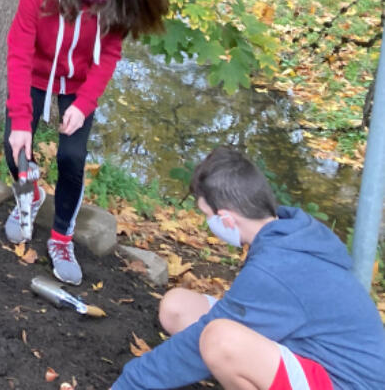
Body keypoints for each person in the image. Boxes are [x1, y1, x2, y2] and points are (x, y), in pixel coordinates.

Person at [113, 147, 385, 390]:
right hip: (311, 350)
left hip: (345, 381)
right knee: (177, 307)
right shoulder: (289, 231)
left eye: (208, 216)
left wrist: (131, 382)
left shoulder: (276, 267)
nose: (208, 223)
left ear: (227, 220)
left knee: (220, 340)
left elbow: (198, 342)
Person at [3, 0, 168, 285]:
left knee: (72, 158)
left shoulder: (116, 4)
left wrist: (84, 103)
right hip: (35, 75)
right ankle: (29, 196)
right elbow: (19, 51)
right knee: (14, 143)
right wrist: (20, 118)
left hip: (79, 85)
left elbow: (109, 55)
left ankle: (61, 237)